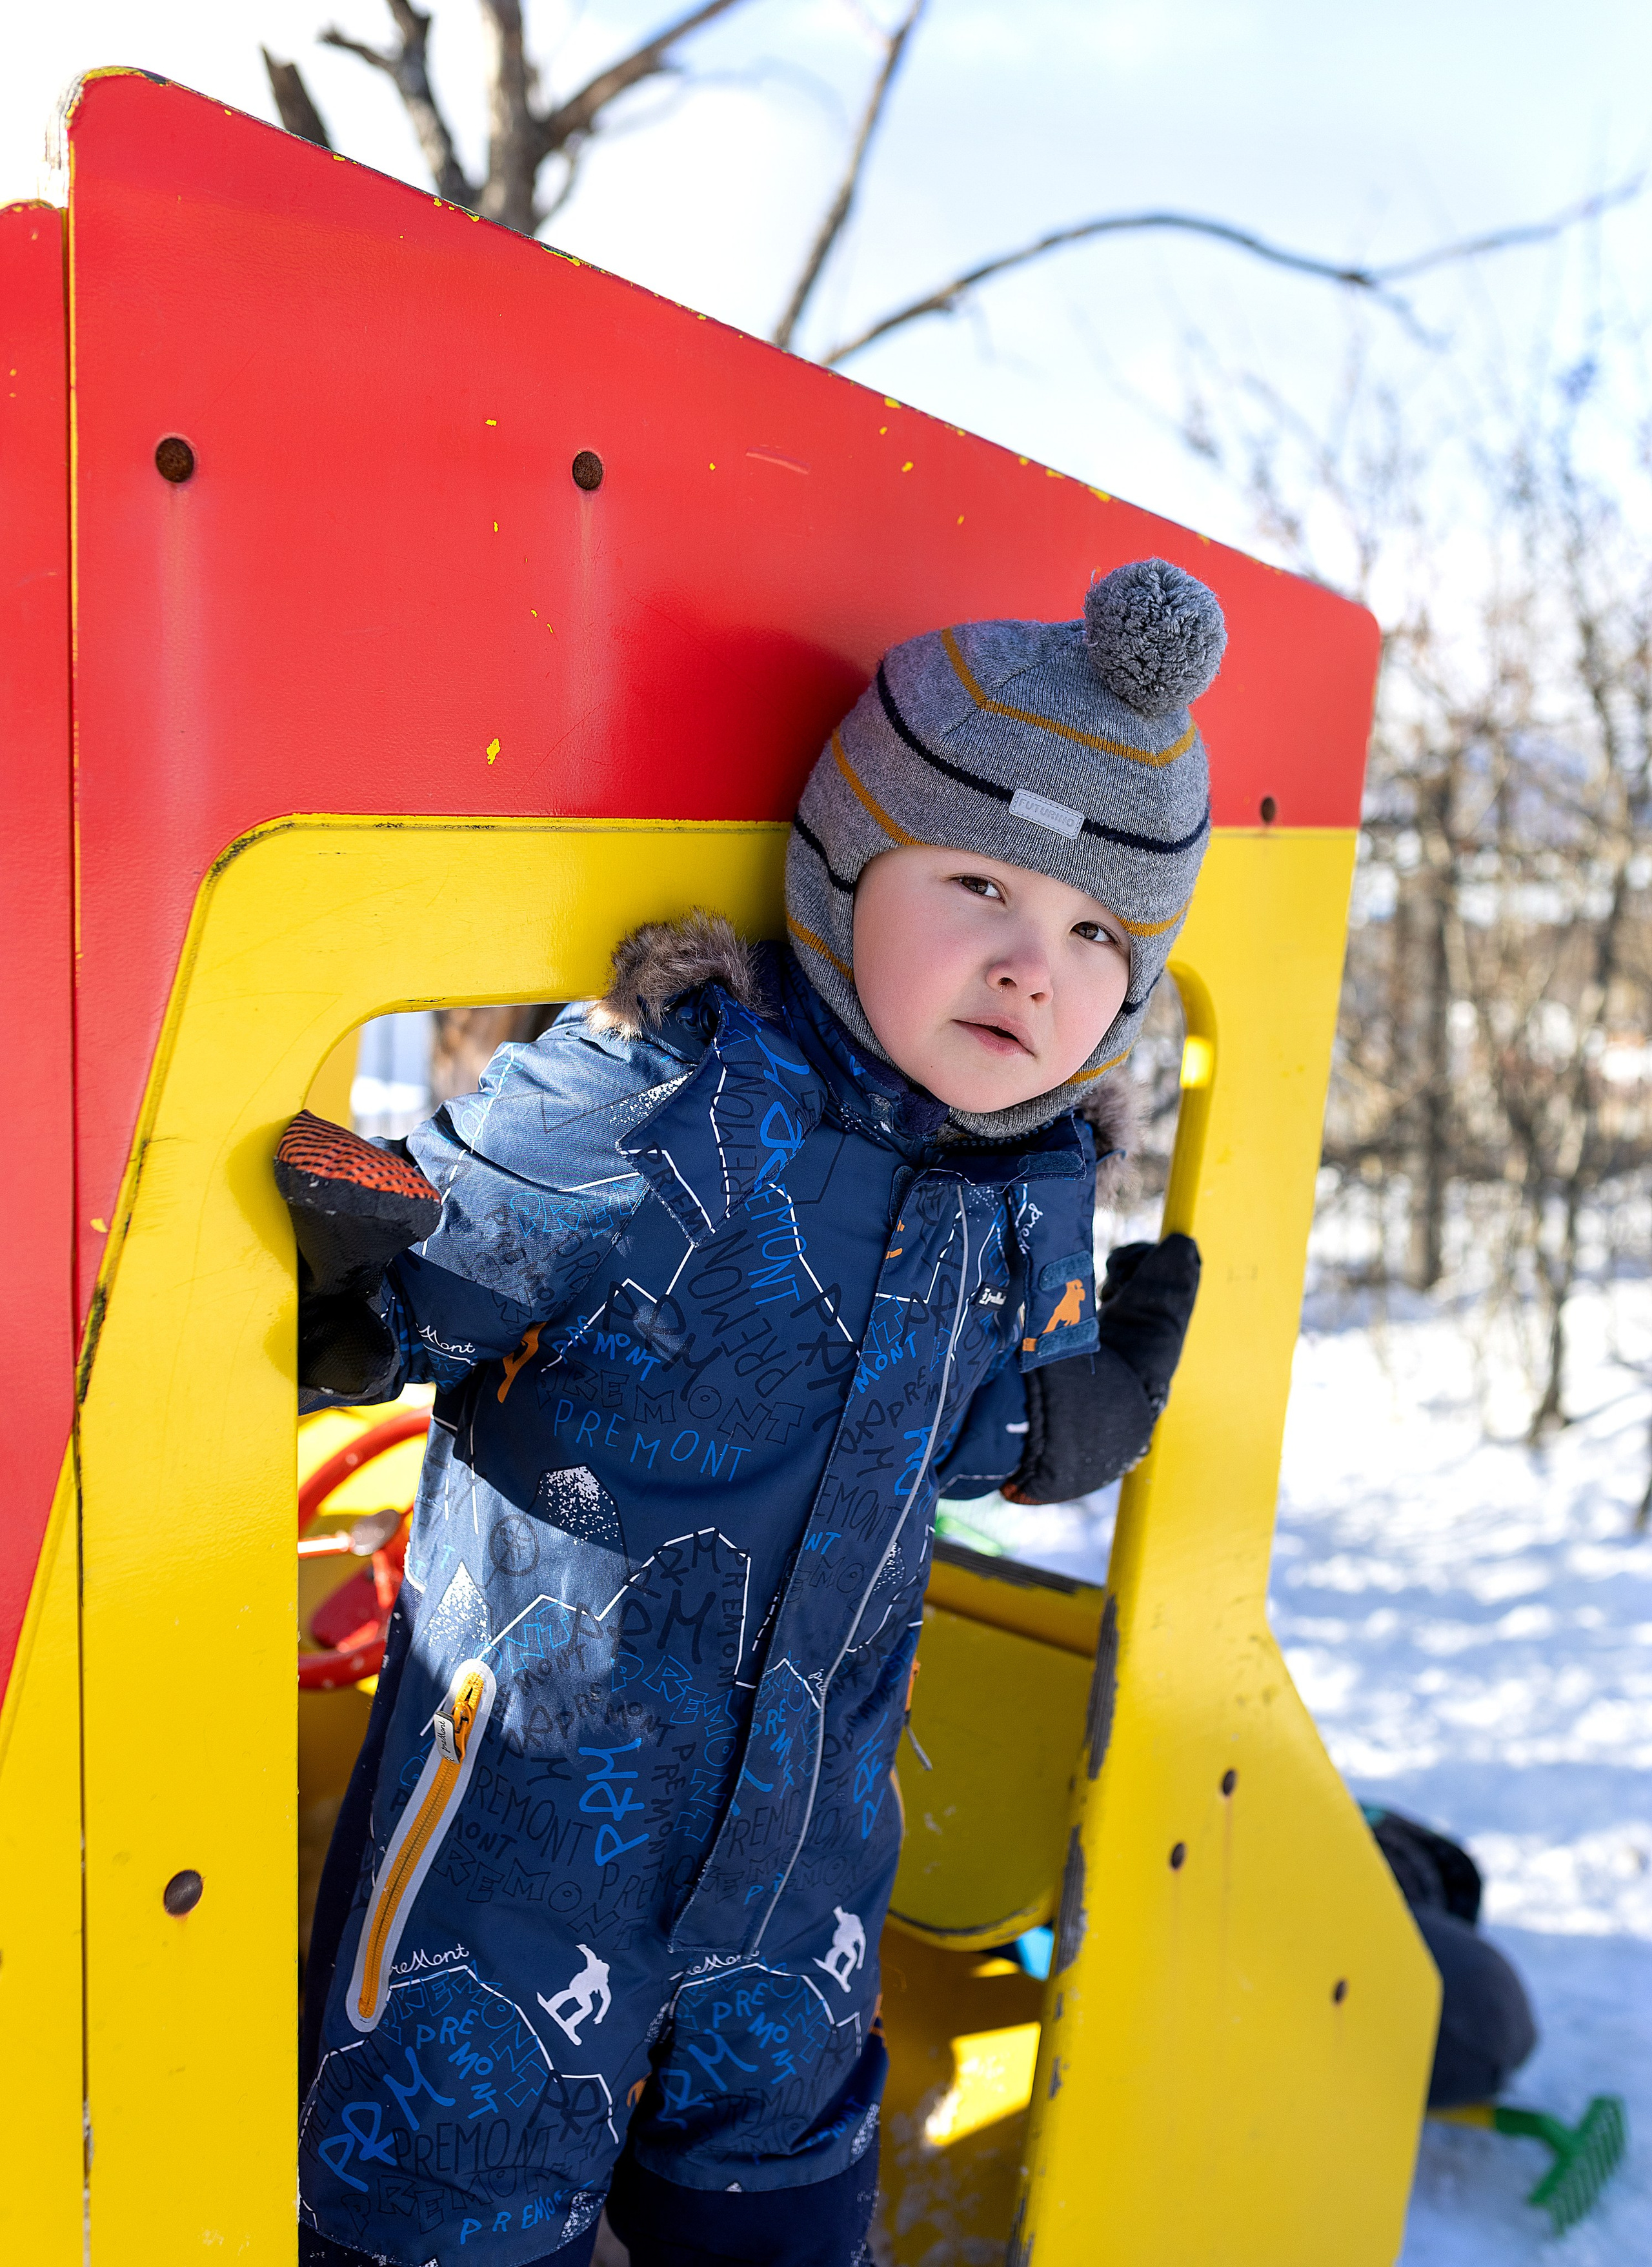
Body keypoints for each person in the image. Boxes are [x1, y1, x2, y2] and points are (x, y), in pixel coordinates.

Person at [283, 558, 1225, 2267]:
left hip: (802, 1892)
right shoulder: (662, 1103)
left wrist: (1057, 1424)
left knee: (782, 2225)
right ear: (850, 859)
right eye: (983, 884)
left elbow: (929, 1421)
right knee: (446, 2208)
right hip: (518, 1859)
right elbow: (415, 1253)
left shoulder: (1029, 1187)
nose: (1039, 964)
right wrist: (343, 1283)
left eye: (1101, 932)